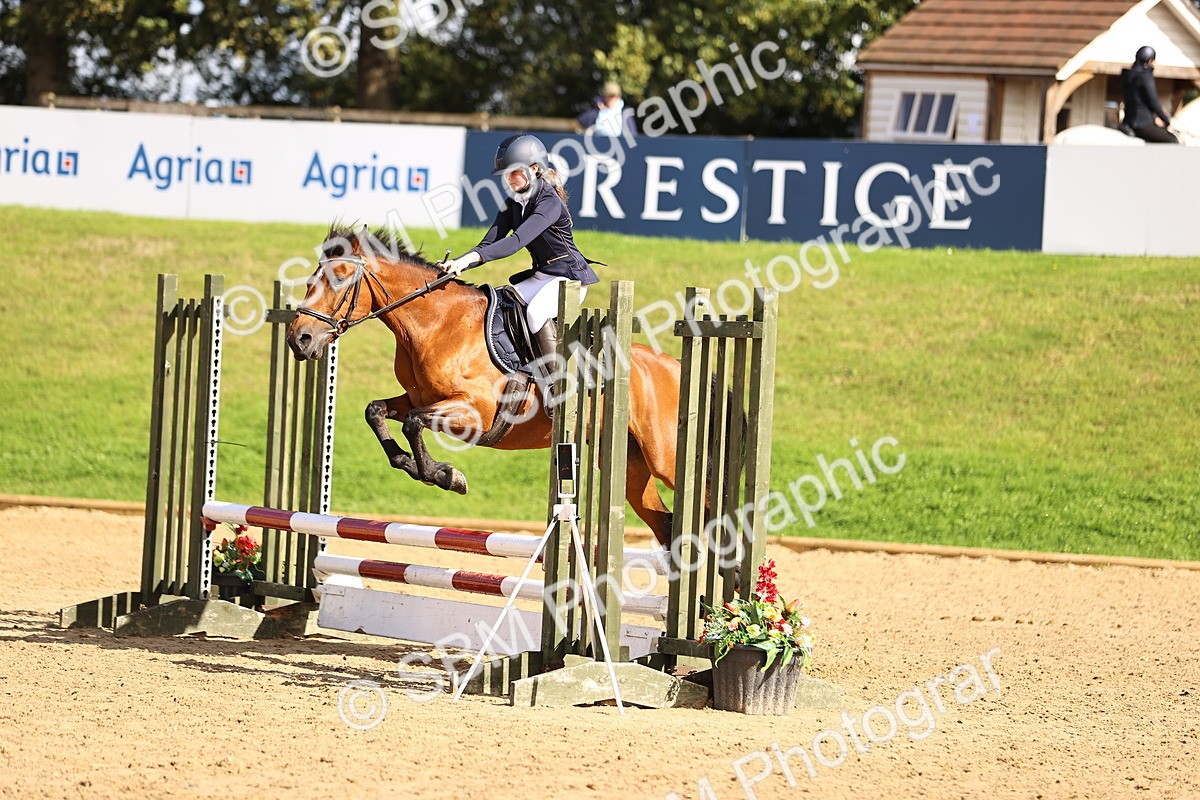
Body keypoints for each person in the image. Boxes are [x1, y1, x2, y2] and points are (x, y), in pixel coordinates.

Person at [439, 133, 599, 391]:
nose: (507, 179)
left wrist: (470, 259)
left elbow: (515, 242)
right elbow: (488, 243)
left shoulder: (549, 202)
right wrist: (457, 264)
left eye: (513, 172)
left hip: (569, 278)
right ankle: (524, 371)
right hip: (542, 275)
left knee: (535, 314)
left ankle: (559, 389)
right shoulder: (512, 202)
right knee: (500, 303)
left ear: (534, 169)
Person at [1121, 46, 1178, 143]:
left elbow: (1138, 100)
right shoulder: (1145, 77)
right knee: (1172, 140)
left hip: (1128, 121)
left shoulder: (1127, 75)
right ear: (1150, 61)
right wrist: (1166, 120)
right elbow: (1153, 101)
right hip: (1141, 124)